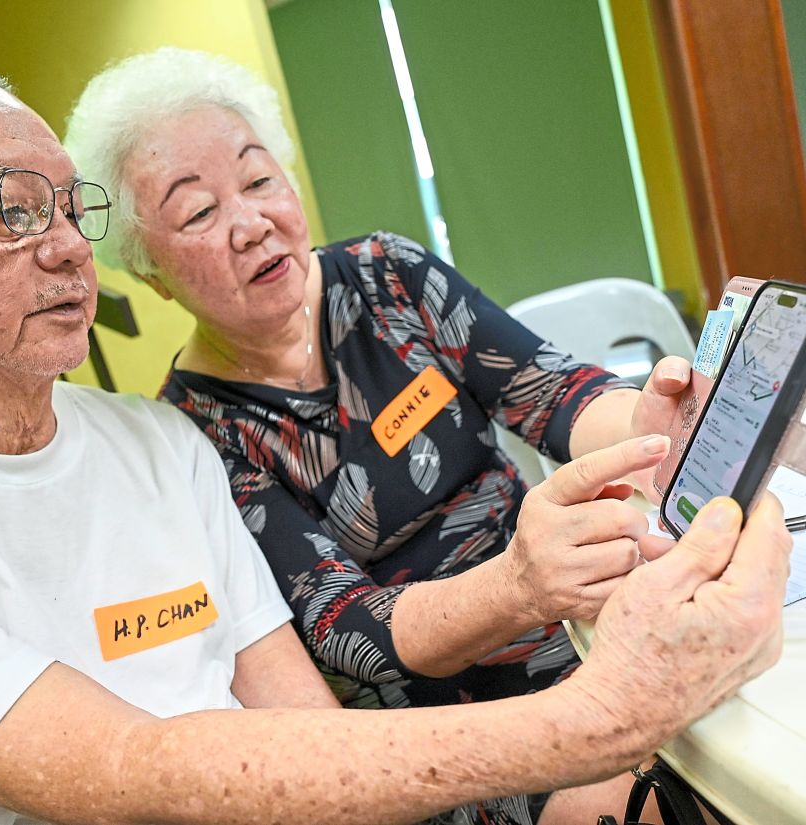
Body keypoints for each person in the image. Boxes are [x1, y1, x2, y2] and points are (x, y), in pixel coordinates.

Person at [0, 53, 790, 825]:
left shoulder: (153, 449)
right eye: (11, 209)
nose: (66, 249)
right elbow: (133, 768)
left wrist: (654, 436)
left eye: (68, 209)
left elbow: (303, 728)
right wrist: (601, 713)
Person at [65, 47, 705, 819]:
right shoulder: (197, 433)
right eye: (199, 212)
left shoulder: (388, 277)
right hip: (445, 724)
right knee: (654, 799)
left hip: (582, 616)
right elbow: (350, 630)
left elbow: (551, 393)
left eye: (259, 179)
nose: (251, 224)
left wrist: (645, 422)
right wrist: (517, 586)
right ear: (151, 275)